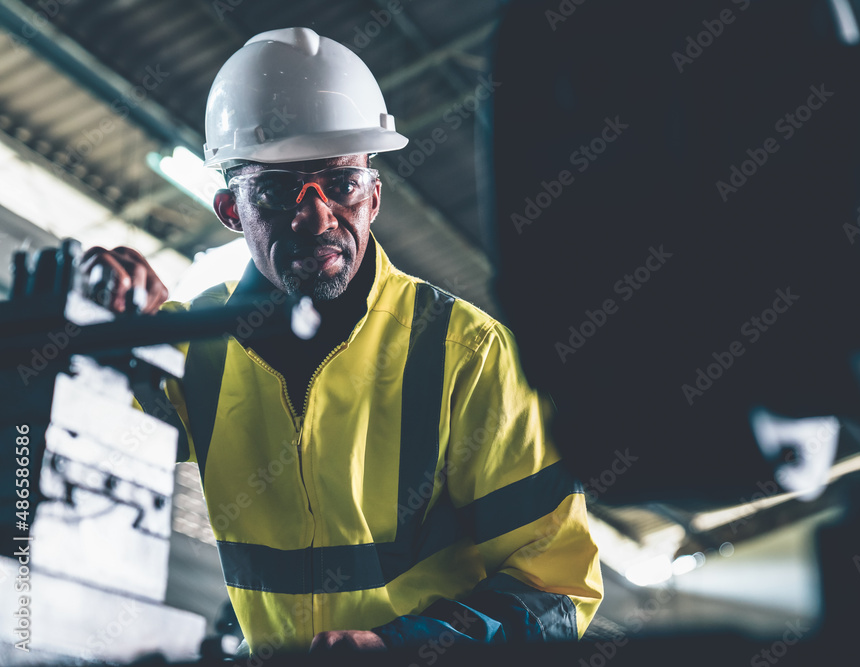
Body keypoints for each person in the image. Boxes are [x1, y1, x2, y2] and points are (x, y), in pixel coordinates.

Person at [81, 27, 602, 655]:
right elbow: (74, 453)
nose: (317, 215)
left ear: (374, 196)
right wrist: (90, 334)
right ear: (229, 210)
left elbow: (559, 590)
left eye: (341, 184)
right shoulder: (192, 349)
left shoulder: (466, 355)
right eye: (277, 190)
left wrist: (404, 648)